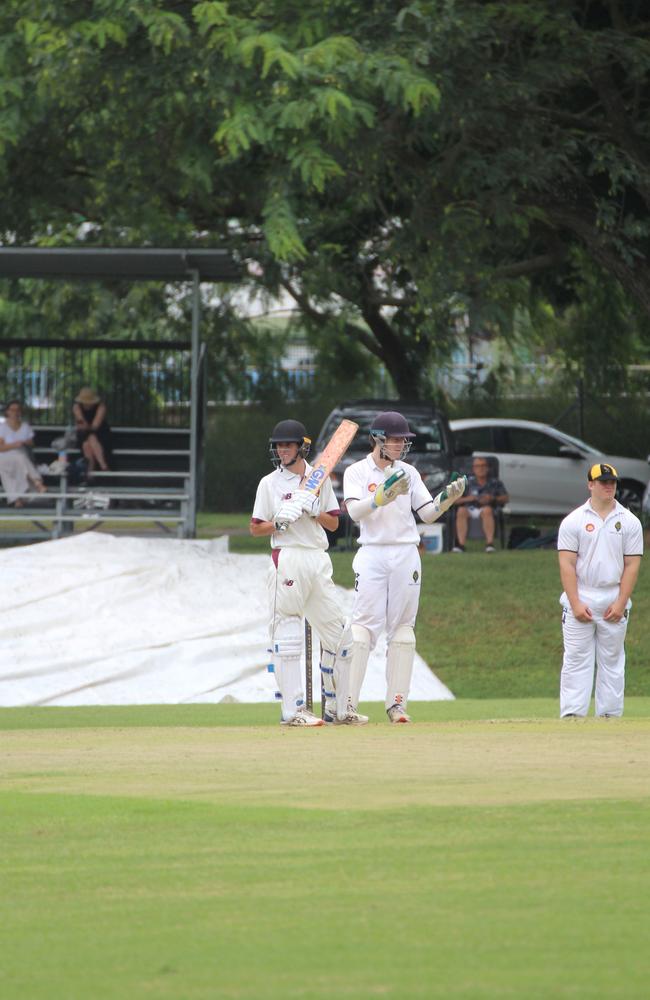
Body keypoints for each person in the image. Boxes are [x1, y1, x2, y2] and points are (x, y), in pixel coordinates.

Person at [343, 411, 466, 723]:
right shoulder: (357, 471)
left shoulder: (409, 473)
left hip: (405, 553)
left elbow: (426, 513)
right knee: (362, 630)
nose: (400, 445)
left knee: (402, 632)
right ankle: (347, 706)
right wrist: (379, 499)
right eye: (395, 440)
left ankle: (396, 705)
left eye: (403, 441)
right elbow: (355, 512)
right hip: (372, 553)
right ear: (379, 440)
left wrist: (446, 500)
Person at [250, 419, 364, 727]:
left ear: (302, 447)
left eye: (287, 445)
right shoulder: (269, 483)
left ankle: (338, 709)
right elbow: (255, 527)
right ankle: (294, 711)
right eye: (278, 445)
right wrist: (279, 523)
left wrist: (312, 509)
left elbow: (334, 524)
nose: (281, 450)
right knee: (288, 635)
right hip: (287, 558)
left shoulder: (319, 478)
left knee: (341, 636)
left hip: (317, 559)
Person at [558, 462, 643, 719]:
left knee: (612, 660)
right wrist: (575, 602)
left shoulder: (629, 522)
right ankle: (573, 715)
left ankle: (610, 716)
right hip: (581, 594)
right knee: (576, 659)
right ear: (590, 484)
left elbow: (632, 565)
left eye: (612, 482)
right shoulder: (574, 521)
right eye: (603, 482)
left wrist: (620, 602)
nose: (609, 486)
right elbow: (567, 563)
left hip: (613, 596)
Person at [453, 455, 509, 552]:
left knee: (487, 510)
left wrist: (492, 498)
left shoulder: (495, 482)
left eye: (483, 465)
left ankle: (489, 544)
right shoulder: (466, 483)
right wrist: (469, 498)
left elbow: (506, 498)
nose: (481, 468)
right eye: (478, 466)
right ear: (473, 469)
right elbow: (454, 500)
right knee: (461, 511)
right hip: (469, 508)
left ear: (488, 468)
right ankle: (461, 545)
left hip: (487, 509)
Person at [0, 400, 47, 507]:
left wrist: (23, 443)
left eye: (18, 410)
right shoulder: (2, 427)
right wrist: (14, 445)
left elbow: (31, 443)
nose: (15, 413)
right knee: (17, 458)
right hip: (4, 457)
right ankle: (37, 482)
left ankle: (17, 500)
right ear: (7, 412)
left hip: (20, 457)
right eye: (12, 410)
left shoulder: (25, 427)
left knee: (18, 459)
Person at [72, 387, 113, 474]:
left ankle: (93, 471)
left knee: (89, 440)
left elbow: (95, 426)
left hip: (101, 433)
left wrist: (85, 426)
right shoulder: (77, 407)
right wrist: (83, 425)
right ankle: (102, 466)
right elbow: (81, 423)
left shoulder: (101, 407)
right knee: (87, 442)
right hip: (83, 434)